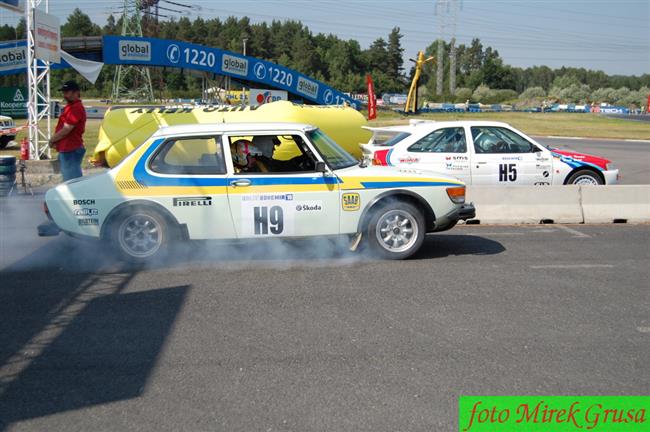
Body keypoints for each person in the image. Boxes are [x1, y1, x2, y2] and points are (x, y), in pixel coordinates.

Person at [49, 80, 87, 181]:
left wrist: (52, 140)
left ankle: (76, 197)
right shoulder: (70, 107)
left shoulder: (76, 108)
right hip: (68, 148)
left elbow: (66, 129)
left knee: (71, 182)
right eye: (64, 92)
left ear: (76, 92)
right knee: (70, 180)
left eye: (67, 92)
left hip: (71, 149)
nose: (65, 95)